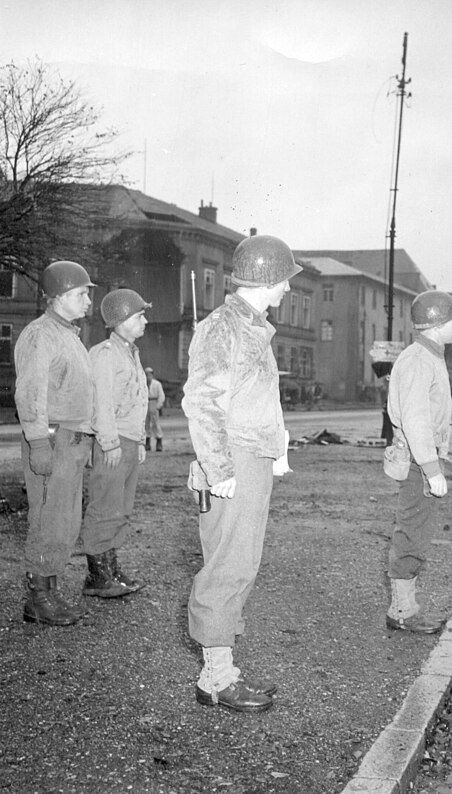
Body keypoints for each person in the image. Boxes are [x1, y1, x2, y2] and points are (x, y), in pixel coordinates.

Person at [183, 234, 300, 713]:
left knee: (242, 563)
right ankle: (215, 678)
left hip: (251, 457)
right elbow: (201, 400)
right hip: (232, 461)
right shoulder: (223, 327)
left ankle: (223, 668)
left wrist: (278, 450)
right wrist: (219, 466)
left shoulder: (252, 328)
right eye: (285, 282)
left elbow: (255, 399)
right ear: (267, 279)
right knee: (227, 566)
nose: (288, 291)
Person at [14, 260, 96, 627]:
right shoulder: (40, 335)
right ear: (59, 296)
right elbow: (31, 393)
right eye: (81, 293)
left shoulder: (69, 335)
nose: (88, 300)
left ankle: (50, 591)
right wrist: (38, 442)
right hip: (53, 439)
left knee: (64, 521)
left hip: (73, 440)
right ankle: (38, 599)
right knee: (47, 519)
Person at [384, 290, 452, 634]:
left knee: (417, 531)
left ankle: (405, 606)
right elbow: (416, 419)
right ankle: (403, 611)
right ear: (436, 324)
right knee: (412, 534)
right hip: (418, 461)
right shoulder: (418, 360)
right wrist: (432, 469)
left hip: (422, 458)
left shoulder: (431, 356)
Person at [81, 289, 151, 600]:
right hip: (113, 442)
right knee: (103, 507)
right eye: (139, 316)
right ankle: (97, 576)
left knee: (120, 508)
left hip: (128, 441)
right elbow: (102, 404)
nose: (145, 321)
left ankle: (111, 568)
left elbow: (139, 401)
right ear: (120, 320)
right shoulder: (106, 354)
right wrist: (109, 443)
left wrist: (141, 440)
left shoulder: (130, 353)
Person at [144, 367, 166, 451]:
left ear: (152, 375)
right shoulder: (142, 384)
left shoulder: (157, 384)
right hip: (145, 403)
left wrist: (158, 406)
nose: (147, 377)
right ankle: (147, 442)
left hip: (154, 402)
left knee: (155, 423)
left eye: (149, 375)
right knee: (146, 424)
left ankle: (159, 442)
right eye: (145, 375)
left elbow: (161, 396)